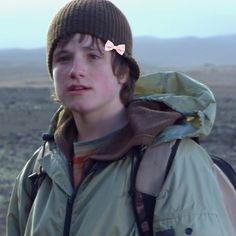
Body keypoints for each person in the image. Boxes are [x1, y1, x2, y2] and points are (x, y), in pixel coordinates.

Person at [6, 0, 234, 235]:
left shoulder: (172, 162)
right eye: (63, 58)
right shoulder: (39, 170)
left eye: (93, 56)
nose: (75, 70)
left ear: (123, 71)